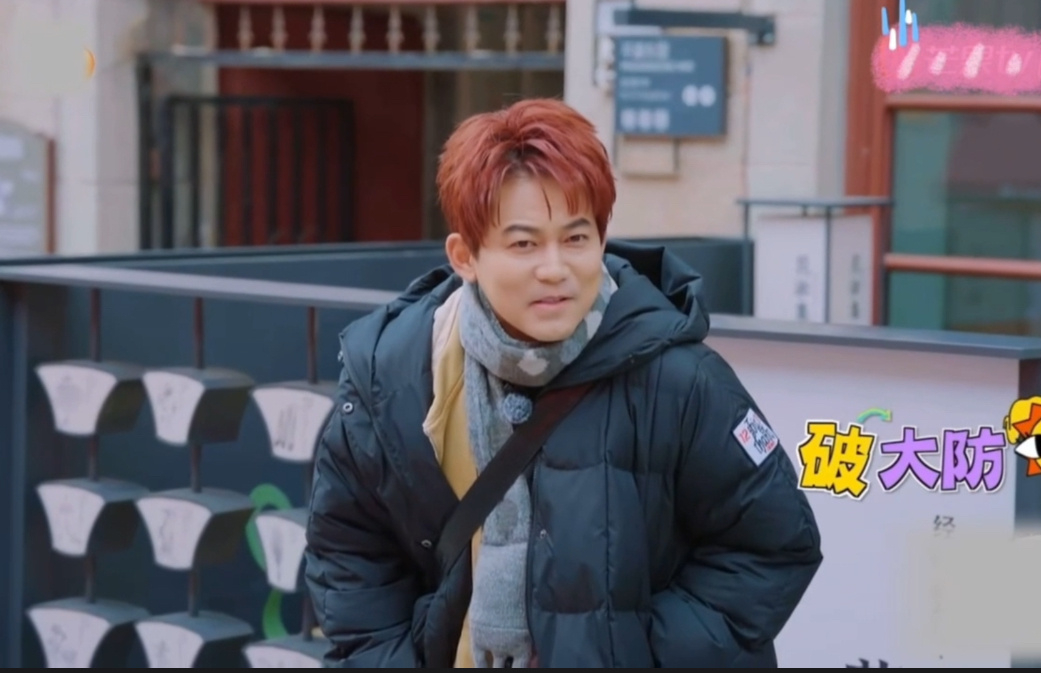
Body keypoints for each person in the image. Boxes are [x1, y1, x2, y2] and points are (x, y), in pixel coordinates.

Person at [304, 98, 822, 668]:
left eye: (576, 238)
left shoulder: (679, 379)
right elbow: (350, 554)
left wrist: (638, 655)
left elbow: (773, 543)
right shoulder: (395, 379)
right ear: (465, 256)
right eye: (523, 244)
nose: (555, 269)